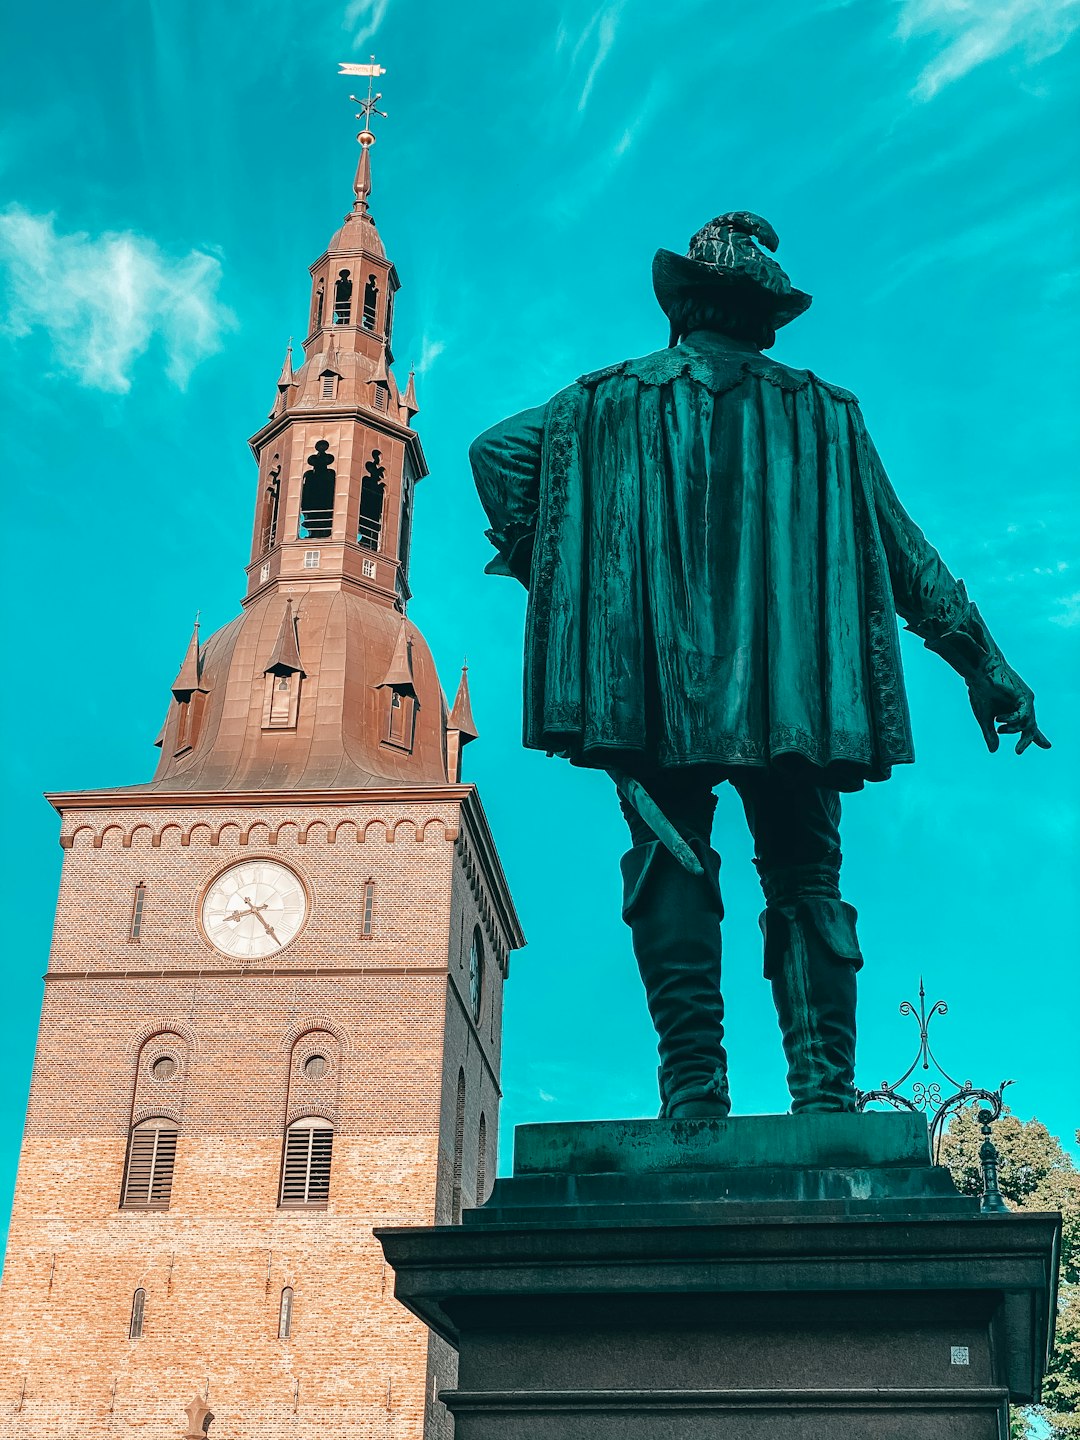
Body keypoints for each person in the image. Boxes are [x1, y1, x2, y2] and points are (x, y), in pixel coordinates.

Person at [469, 211, 1049, 1121]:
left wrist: (570, 580)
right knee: (807, 877)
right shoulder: (825, 412)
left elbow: (496, 455)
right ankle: (824, 1100)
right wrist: (986, 666)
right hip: (798, 693)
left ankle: (693, 1095)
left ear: (684, 306)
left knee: (671, 857)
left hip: (655, 685)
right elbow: (906, 557)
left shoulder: (600, 401)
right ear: (769, 321)